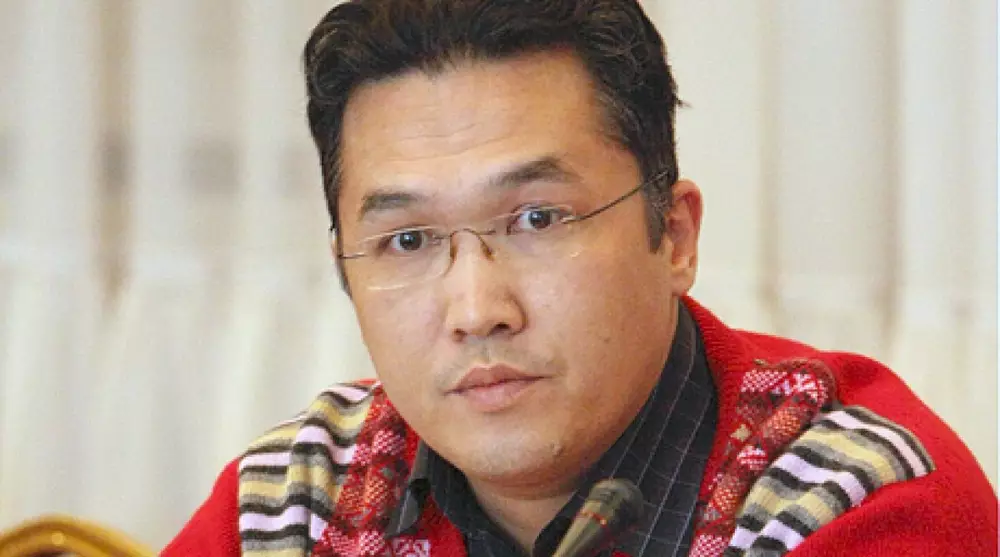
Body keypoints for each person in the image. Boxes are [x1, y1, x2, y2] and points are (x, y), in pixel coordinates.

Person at [164, 1, 997, 556]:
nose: (477, 309)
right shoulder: (296, 502)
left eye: (538, 219)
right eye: (408, 239)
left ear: (674, 235)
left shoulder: (852, 502)